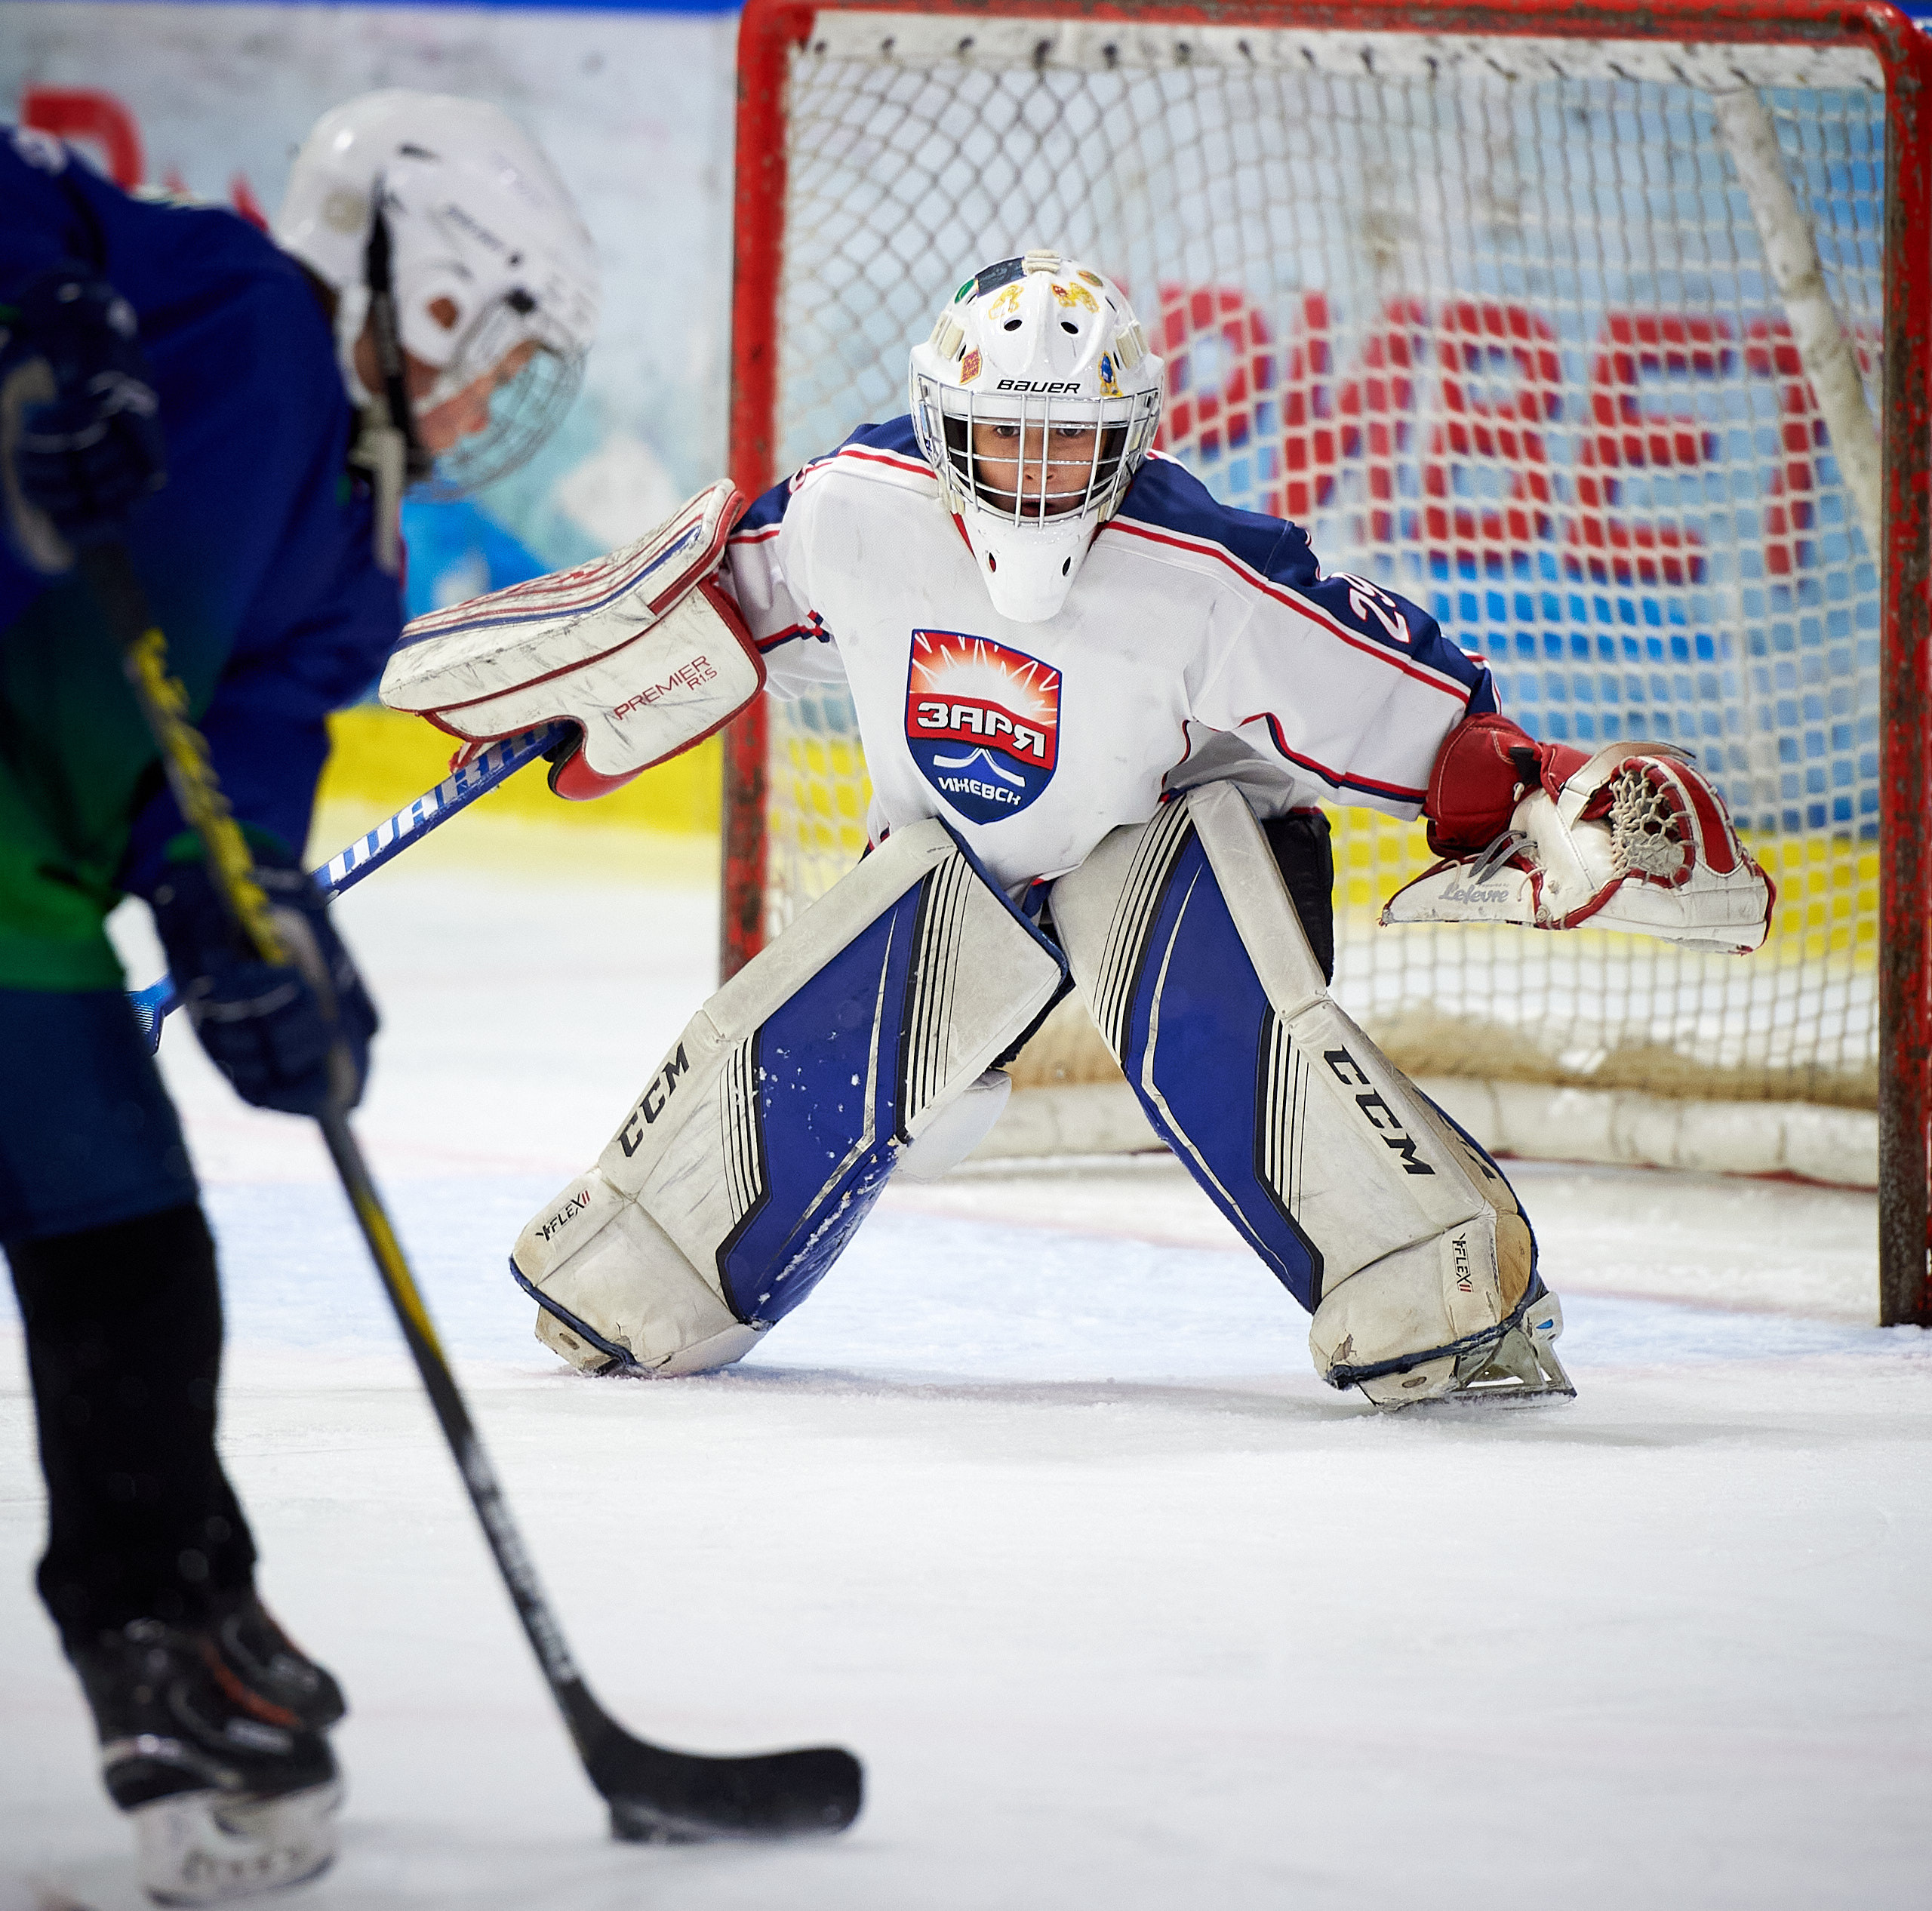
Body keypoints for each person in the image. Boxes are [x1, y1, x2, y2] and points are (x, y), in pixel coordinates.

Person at [386, 248, 1770, 1411]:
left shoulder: (1208, 577)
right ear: (936, 427)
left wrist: (1537, 793)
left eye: (1071, 441)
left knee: (1195, 986)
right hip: (957, 866)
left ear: (1132, 438)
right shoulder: (851, 512)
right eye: (1003, 435)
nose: (1035, 474)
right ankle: (652, 1261)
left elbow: (1433, 731)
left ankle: (1444, 1280)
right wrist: (606, 678)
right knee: (794, 1047)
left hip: (1182, 845)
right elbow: (710, 611)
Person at [0, 91, 596, 1903]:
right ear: (431, 304)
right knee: (114, 1217)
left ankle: (179, 1613)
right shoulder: (230, 306)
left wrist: (265, 946)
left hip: (18, 898)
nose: (500, 407)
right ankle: (166, 1617)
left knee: (130, 1227)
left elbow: (225, 803)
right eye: (501, 358)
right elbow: (28, 193)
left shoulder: (352, 562)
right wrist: (47, 320)